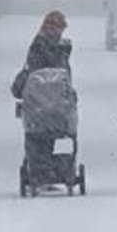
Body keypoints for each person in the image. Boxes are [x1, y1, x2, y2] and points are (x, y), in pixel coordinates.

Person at [11, 10, 74, 184]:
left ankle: (40, 169)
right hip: (46, 99)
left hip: (43, 101)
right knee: (42, 136)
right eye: (58, 28)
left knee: (39, 137)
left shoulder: (44, 43)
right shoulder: (43, 45)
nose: (59, 32)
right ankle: (42, 170)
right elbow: (49, 67)